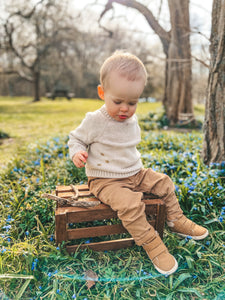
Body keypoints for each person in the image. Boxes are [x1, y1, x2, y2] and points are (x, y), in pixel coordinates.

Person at [68, 50, 208, 275]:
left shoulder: (130, 118)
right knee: (131, 205)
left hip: (135, 173)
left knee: (164, 182)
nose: (125, 108)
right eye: (118, 101)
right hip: (105, 180)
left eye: (132, 102)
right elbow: (76, 139)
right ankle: (152, 244)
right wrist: (77, 152)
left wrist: (137, 173)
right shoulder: (94, 120)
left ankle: (176, 219)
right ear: (102, 93)